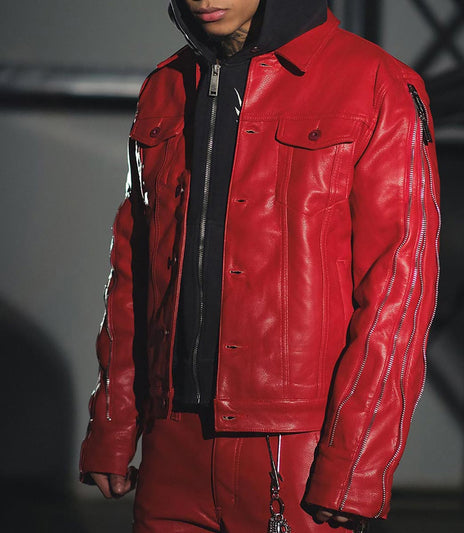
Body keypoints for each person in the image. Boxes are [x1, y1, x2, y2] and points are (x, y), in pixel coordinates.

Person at [79, 0, 441, 531]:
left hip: (295, 452)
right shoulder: (166, 85)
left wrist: (356, 464)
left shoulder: (376, 83)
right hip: (171, 446)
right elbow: (134, 272)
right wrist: (112, 426)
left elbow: (399, 291)